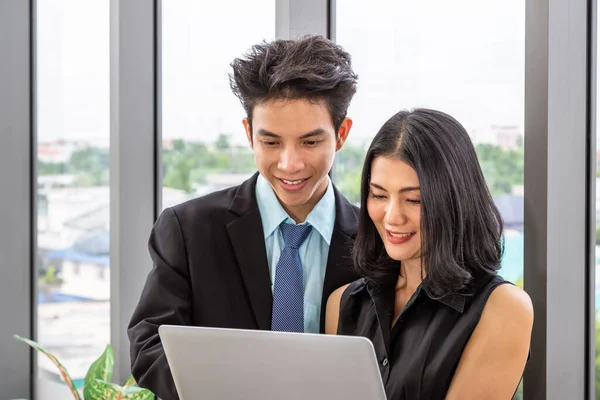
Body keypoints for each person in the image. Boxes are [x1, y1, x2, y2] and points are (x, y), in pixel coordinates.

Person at [127, 35, 361, 399]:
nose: (289, 164)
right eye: (271, 143)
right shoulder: (188, 230)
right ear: (249, 134)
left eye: (310, 142)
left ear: (341, 134)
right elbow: (149, 347)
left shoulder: (378, 241)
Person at [325, 108, 533, 400]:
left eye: (414, 200)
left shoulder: (503, 308)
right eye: (379, 195)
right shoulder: (343, 303)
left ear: (455, 201)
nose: (392, 217)